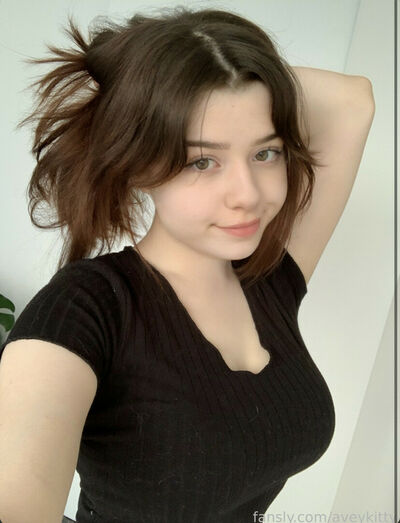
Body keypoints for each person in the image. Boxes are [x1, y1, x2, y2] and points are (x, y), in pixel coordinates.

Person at [0, 6, 375, 523]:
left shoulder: (269, 277)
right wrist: (153, 86)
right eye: (202, 161)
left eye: (265, 153)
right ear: (138, 165)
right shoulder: (85, 309)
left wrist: (215, 62)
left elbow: (353, 101)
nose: (248, 194)